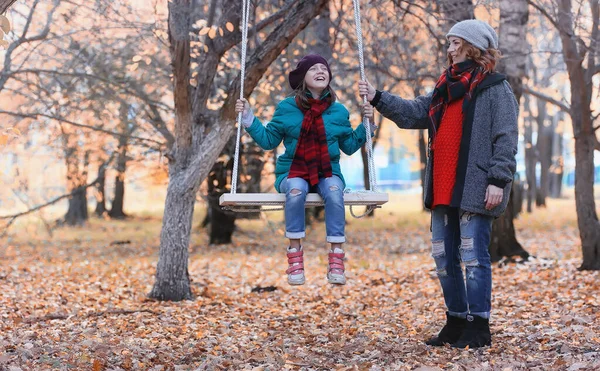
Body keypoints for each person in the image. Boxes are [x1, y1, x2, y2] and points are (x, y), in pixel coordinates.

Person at [358, 20, 518, 348]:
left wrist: (498, 181)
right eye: (450, 43)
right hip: (443, 185)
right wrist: (377, 97)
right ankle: (456, 321)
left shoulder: (495, 87)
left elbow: (506, 137)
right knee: (443, 257)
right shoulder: (445, 86)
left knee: (473, 256)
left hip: (475, 186)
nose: (450, 48)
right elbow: (416, 113)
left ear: (473, 46)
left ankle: (478, 326)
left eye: (456, 42)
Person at [236, 54, 375, 286]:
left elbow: (349, 146)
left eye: (324, 68)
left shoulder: (338, 111)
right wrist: (248, 117)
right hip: (292, 171)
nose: (321, 71)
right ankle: (295, 257)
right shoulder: (286, 108)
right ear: (303, 77)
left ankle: (337, 258)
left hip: (327, 171)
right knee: (296, 190)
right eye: (314, 69)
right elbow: (269, 140)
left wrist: (367, 126)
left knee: (333, 190)